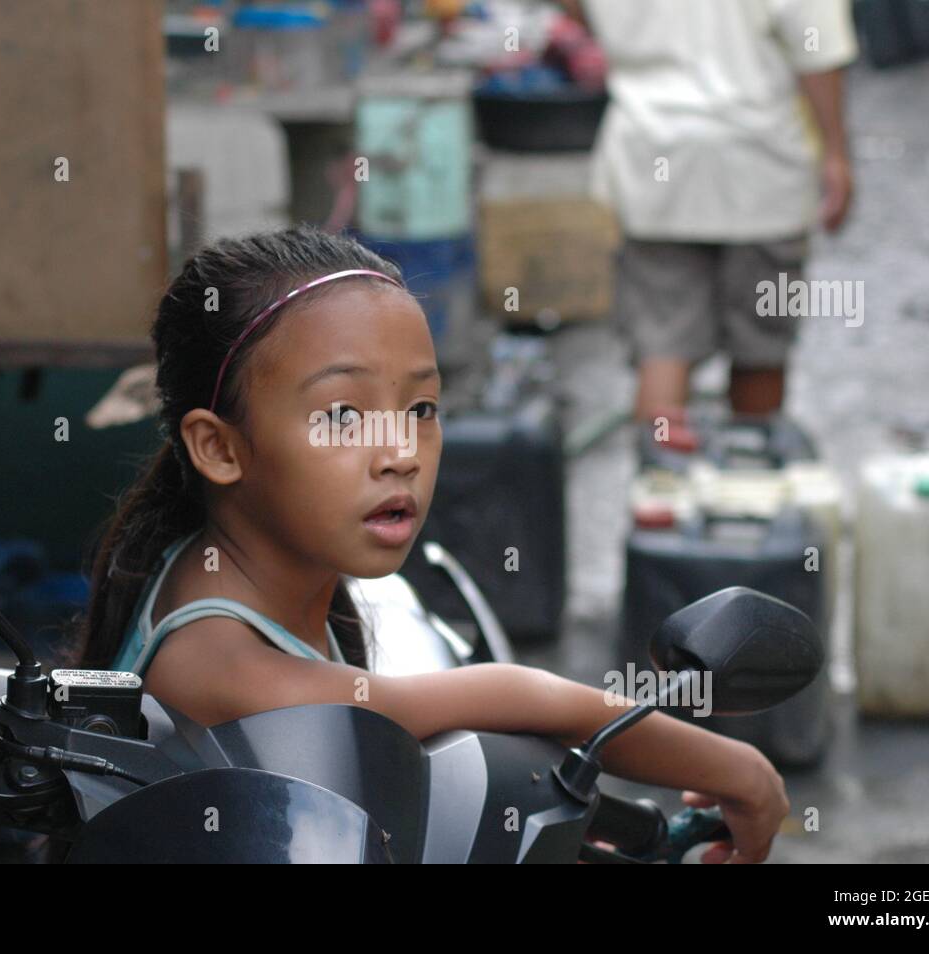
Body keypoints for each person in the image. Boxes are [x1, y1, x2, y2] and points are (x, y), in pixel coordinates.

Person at [73, 225, 789, 863]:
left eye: (420, 408)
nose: (402, 453)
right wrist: (740, 771)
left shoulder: (260, 567)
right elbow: (506, 696)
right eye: (343, 415)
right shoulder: (211, 661)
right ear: (219, 448)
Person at [558, 0, 858, 423]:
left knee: (664, 345)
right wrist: (837, 153)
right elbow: (819, 48)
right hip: (760, 161)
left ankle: (661, 476)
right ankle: (752, 469)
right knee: (761, 347)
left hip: (652, 148)